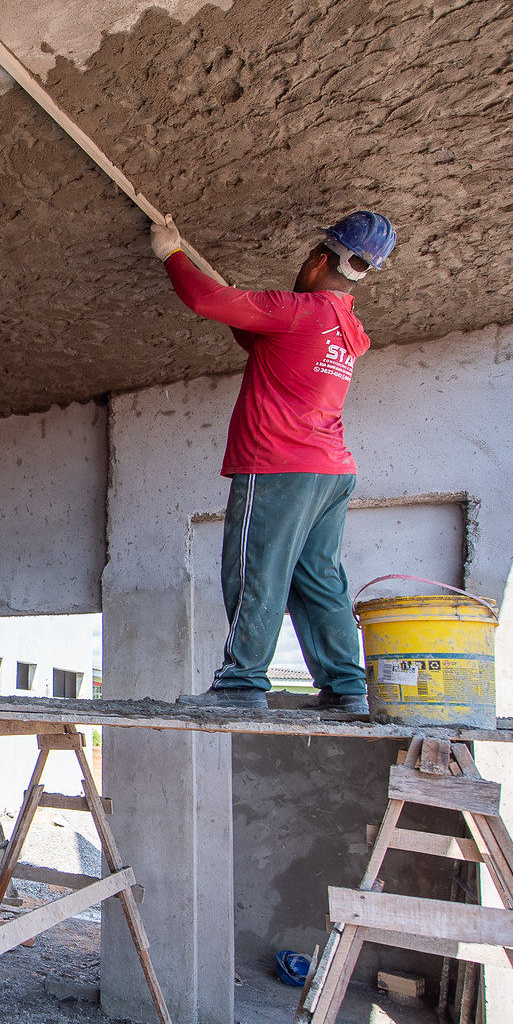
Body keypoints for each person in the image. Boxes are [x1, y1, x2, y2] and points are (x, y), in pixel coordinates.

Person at [150, 211, 398, 714]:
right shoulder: (346, 327)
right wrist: (237, 302)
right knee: (318, 579)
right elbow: (258, 338)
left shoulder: (299, 310)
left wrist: (172, 253)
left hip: (279, 463)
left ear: (318, 259)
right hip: (330, 471)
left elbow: (204, 300)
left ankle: (241, 684)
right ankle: (347, 688)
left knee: (253, 568)